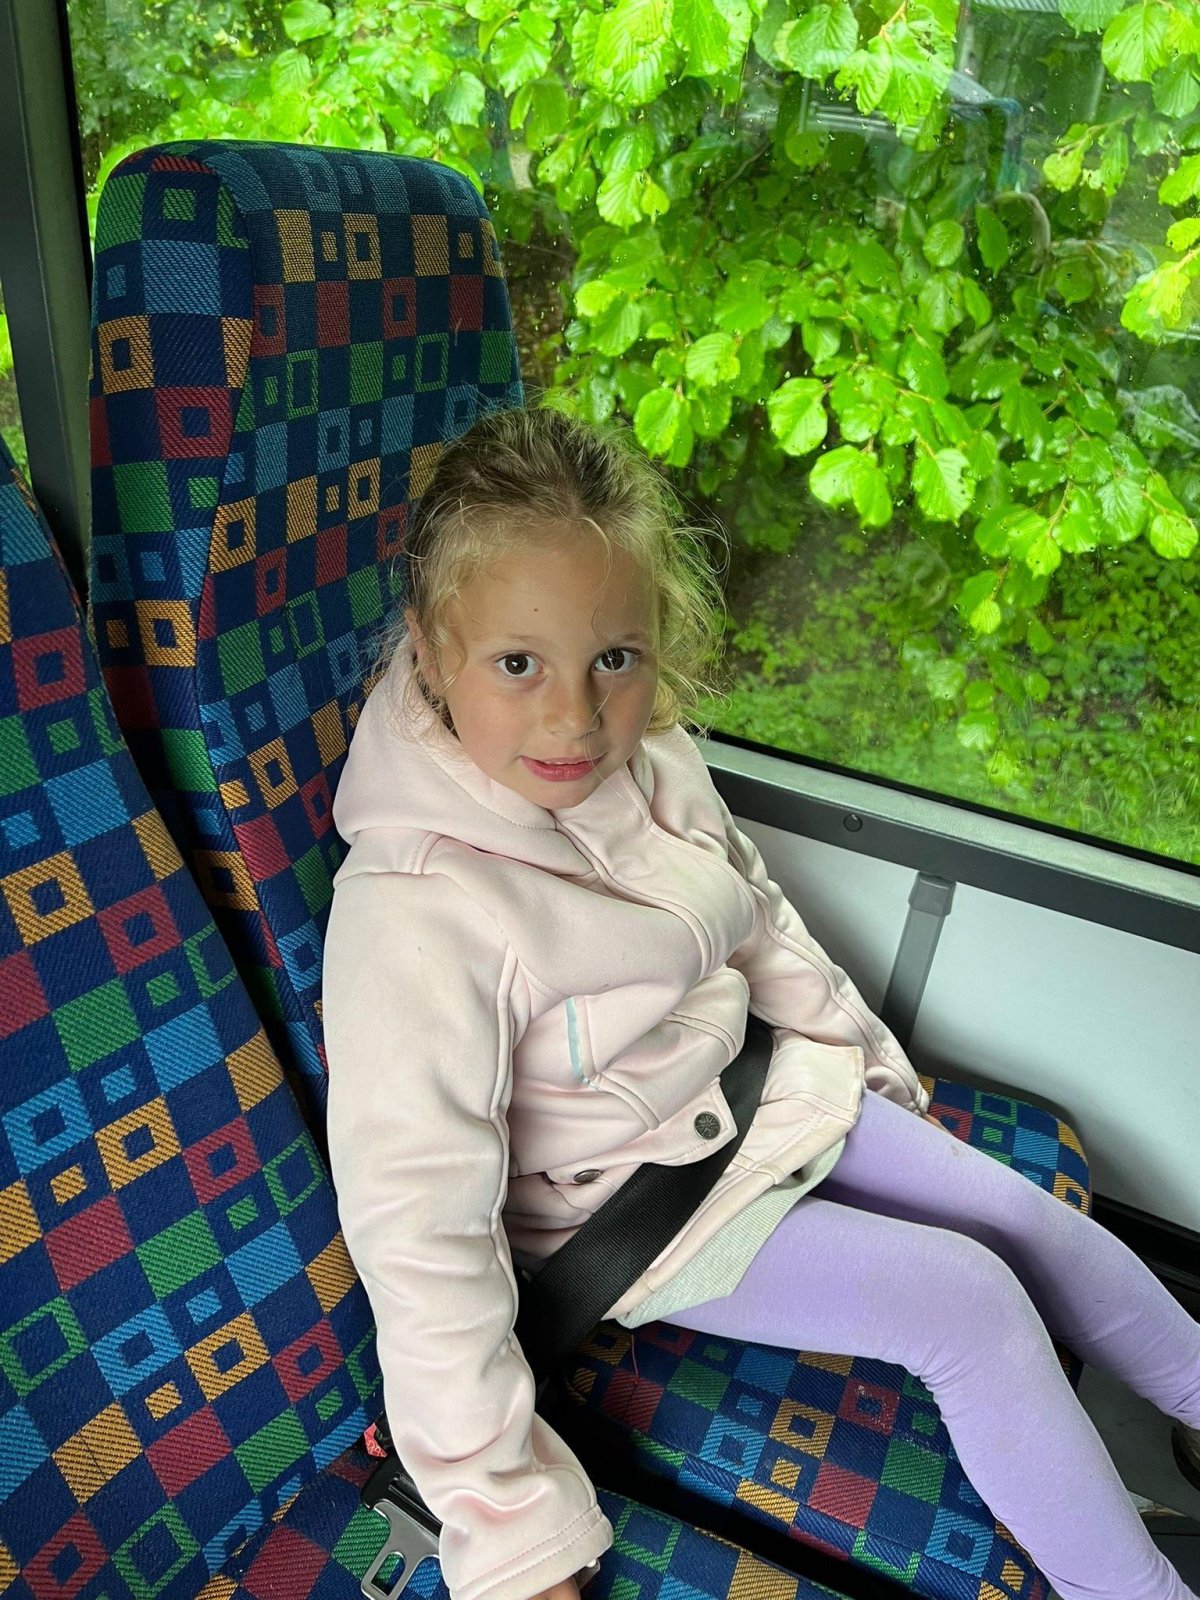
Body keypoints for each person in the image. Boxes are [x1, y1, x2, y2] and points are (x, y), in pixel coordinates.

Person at [323, 405, 1200, 1600]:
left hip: (754, 1094)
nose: (576, 717)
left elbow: (756, 912)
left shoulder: (650, 757)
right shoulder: (415, 913)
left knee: (1030, 1223)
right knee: (972, 1303)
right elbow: (420, 1237)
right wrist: (506, 1523)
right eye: (518, 664)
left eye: (615, 658)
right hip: (628, 1204)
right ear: (432, 653)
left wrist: (858, 1057)